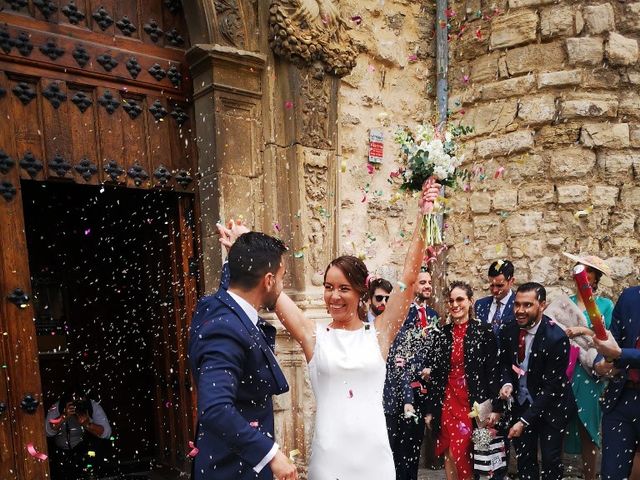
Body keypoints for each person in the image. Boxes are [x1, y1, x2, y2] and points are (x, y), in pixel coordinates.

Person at [217, 181, 440, 479]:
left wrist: (424, 217)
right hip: (329, 460)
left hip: (374, 461)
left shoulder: (379, 334)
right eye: (328, 287)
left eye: (344, 288)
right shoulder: (314, 336)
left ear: (361, 292)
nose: (334, 296)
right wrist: (242, 250)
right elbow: (272, 290)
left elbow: (409, 280)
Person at [188, 231, 297, 480]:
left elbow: (232, 284)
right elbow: (215, 408)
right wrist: (271, 454)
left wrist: (236, 254)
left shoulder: (213, 305)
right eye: (282, 278)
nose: (281, 286)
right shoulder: (225, 329)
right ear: (268, 280)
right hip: (231, 469)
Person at [498, 283, 575, 480]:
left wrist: (524, 421)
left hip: (552, 407)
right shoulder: (508, 330)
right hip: (522, 404)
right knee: (525, 461)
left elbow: (552, 388)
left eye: (527, 305)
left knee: (550, 461)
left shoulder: (556, 338)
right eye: (517, 305)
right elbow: (505, 365)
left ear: (542, 305)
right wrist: (507, 384)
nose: (520, 311)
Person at [423, 281, 499, 480]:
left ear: (470, 301)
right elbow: (437, 376)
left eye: (460, 300)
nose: (455, 305)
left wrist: (495, 407)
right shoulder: (442, 334)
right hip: (447, 402)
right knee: (449, 450)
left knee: (466, 451)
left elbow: (492, 372)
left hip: (473, 403)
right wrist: (431, 409)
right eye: (451, 301)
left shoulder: (484, 331)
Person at [562, 253, 614, 480]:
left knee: (588, 425)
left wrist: (583, 331)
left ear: (595, 278)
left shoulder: (604, 305)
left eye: (588, 271)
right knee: (563, 422)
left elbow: (609, 338)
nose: (582, 275)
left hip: (592, 371)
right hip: (568, 369)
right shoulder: (567, 303)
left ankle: (591, 475)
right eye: (579, 270)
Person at [384, 269, 439, 480]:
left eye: (429, 282)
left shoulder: (433, 316)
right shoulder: (404, 314)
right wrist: (416, 370)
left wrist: (432, 370)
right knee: (401, 446)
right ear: (413, 286)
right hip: (404, 389)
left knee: (416, 443)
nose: (427, 286)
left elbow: (434, 350)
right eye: (422, 282)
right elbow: (401, 353)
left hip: (426, 390)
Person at [593, 285, 640, 480]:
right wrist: (602, 362)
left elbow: (619, 351)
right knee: (611, 474)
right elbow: (614, 340)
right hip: (621, 399)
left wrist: (620, 355)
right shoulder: (630, 296)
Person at [45, 386, 112, 479]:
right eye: (74, 401)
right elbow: (48, 431)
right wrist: (63, 416)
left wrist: (88, 424)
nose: (77, 404)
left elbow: (106, 433)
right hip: (61, 456)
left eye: (80, 401)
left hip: (85, 453)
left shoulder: (92, 406)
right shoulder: (58, 406)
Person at [474, 260, 516, 338]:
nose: (495, 290)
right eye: (492, 285)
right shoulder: (480, 305)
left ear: (511, 281)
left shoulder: (519, 305)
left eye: (500, 286)